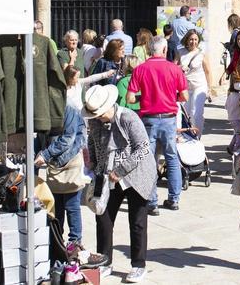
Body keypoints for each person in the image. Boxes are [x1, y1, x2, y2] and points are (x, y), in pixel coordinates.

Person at [85, 84, 156, 283]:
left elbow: (142, 148)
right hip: (108, 174)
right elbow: (93, 143)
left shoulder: (128, 118)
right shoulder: (95, 122)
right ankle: (104, 261)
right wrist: (93, 164)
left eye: (100, 113)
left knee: (137, 221)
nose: (98, 117)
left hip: (136, 174)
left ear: (109, 106)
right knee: (103, 217)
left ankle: (138, 265)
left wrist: (121, 170)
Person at [127, 36, 189, 213]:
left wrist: (145, 97)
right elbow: (184, 96)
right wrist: (170, 97)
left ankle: (152, 201)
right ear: (164, 50)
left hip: (149, 120)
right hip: (169, 118)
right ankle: (174, 199)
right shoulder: (174, 69)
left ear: (149, 50)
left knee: (149, 160)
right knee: (172, 158)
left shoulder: (140, 69)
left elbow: (130, 98)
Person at [37, 95, 96, 260]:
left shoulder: (68, 108)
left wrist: (46, 154)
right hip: (55, 164)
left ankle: (75, 242)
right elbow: (42, 136)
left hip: (69, 162)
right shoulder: (44, 107)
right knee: (57, 207)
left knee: (72, 205)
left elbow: (68, 139)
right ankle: (59, 241)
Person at [179, 29, 213, 134]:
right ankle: (188, 134)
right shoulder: (180, 52)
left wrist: (209, 88)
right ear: (186, 40)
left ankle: (197, 135)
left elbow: (208, 72)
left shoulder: (201, 53)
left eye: (195, 39)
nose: (193, 42)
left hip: (199, 86)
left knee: (196, 112)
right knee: (186, 113)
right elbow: (173, 67)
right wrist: (180, 67)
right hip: (185, 87)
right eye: (191, 39)